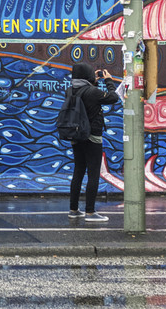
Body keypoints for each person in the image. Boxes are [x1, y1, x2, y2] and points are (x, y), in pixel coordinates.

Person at [66, 63, 119, 223]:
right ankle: (90, 212)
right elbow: (113, 98)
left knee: (78, 171)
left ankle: (73, 209)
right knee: (93, 173)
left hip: (76, 135)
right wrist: (109, 81)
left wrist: (93, 81)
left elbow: (86, 93)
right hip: (92, 136)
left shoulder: (70, 90)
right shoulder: (93, 92)